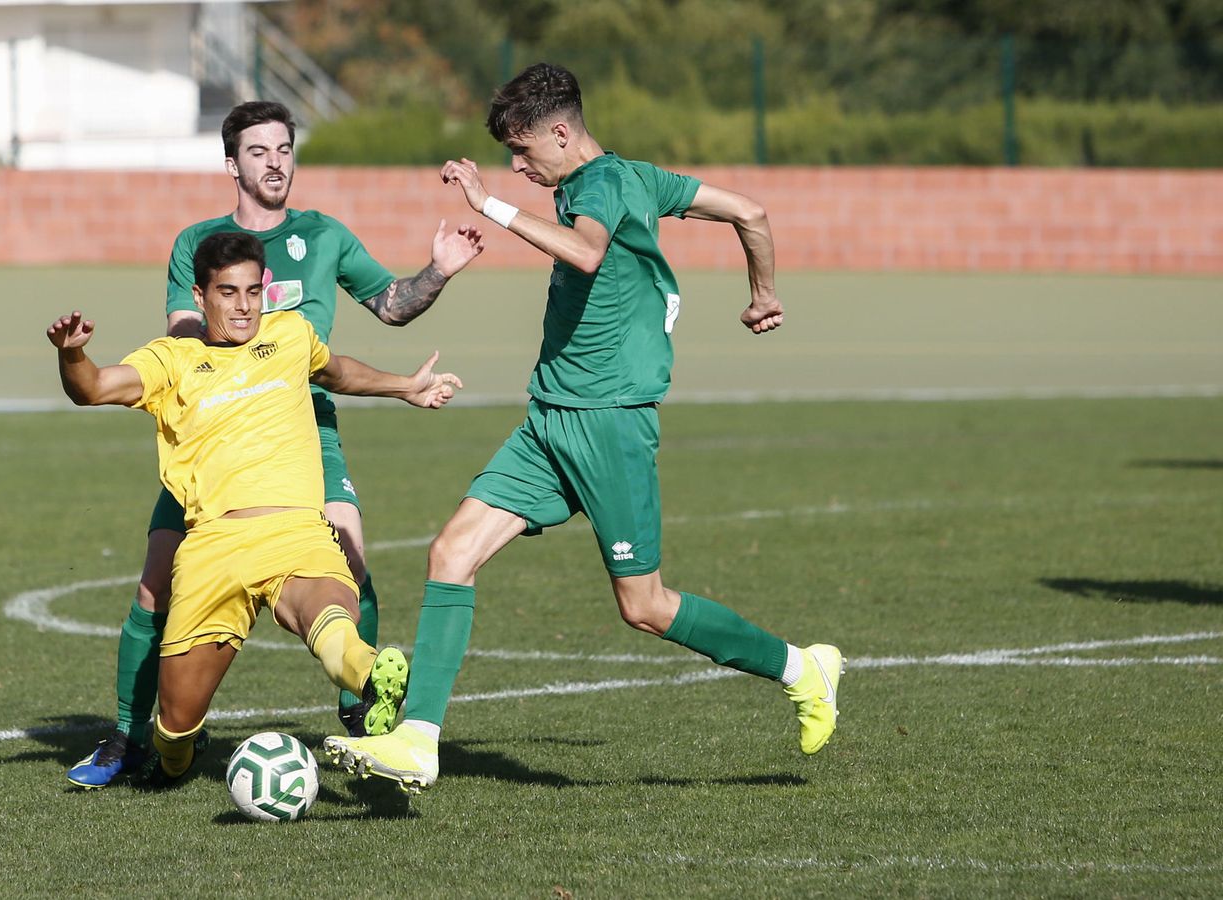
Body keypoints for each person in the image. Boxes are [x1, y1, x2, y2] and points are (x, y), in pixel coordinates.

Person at [324, 63, 843, 792]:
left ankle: (802, 668)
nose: (517, 164)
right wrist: (763, 294)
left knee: (645, 606)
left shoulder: (599, 186)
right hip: (550, 419)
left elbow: (588, 251)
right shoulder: (637, 178)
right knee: (452, 552)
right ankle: (419, 741)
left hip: (609, 425)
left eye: (523, 149)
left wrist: (490, 204)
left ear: (562, 133)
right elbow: (750, 213)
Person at [67, 101, 485, 788]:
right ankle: (128, 735)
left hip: (305, 427)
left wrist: (437, 270)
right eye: (259, 151)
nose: (275, 162)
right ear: (232, 164)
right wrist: (243, 344)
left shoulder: (323, 235)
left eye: (285, 149)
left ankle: (364, 711)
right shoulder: (198, 242)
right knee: (153, 584)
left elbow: (390, 306)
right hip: (211, 431)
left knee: (350, 558)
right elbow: (184, 334)